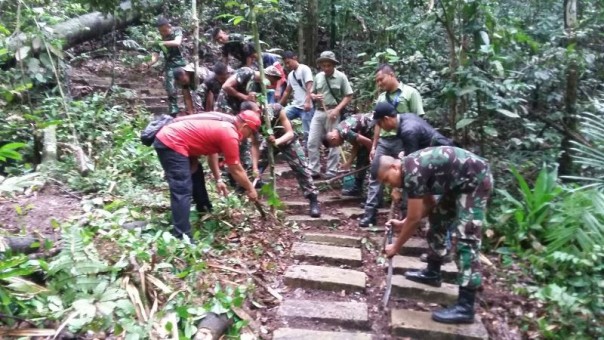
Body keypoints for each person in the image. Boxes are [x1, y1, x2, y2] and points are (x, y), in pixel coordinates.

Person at [373, 147, 493, 324]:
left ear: (394, 168)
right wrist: (403, 222)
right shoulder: (411, 169)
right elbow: (428, 205)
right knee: (437, 218)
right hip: (457, 184)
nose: (389, 185)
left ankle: (466, 307)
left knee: (466, 239)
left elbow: (414, 219)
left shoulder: (413, 172)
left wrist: (396, 247)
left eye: (386, 179)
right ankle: (433, 272)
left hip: (475, 180)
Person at [153, 111, 261, 240]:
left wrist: (219, 179)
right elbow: (235, 169)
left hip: (178, 139)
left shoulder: (225, 122)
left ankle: (204, 210)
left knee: (196, 173)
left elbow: (212, 154)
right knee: (182, 188)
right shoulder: (230, 133)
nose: (248, 137)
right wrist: (250, 189)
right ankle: (181, 236)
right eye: (250, 133)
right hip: (171, 141)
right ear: (245, 127)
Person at [360, 63, 425, 227]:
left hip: (404, 141)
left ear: (391, 75)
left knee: (407, 177)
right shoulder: (382, 98)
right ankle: (370, 214)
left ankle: (406, 216)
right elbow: (378, 124)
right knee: (376, 175)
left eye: (381, 79)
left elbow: (418, 120)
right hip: (384, 141)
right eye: (377, 81)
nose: (379, 84)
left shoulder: (410, 93)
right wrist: (374, 146)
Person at [245, 101, 321, 217]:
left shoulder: (275, 109)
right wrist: (255, 167)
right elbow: (255, 145)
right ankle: (247, 195)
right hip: (269, 143)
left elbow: (290, 133)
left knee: (302, 169)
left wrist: (277, 141)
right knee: (254, 167)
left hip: (288, 141)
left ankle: (313, 200)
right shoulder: (250, 121)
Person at [307, 51, 353, 179]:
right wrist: (315, 96)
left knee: (334, 142)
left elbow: (348, 95)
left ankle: (332, 171)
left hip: (333, 113)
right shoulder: (318, 77)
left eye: (329, 65)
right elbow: (312, 93)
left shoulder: (341, 77)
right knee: (312, 141)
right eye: (324, 65)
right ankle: (314, 169)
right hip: (319, 111)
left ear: (334, 65)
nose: (326, 68)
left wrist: (337, 109)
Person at [143, 17, 186, 116]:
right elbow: (155, 56)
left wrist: (162, 43)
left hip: (182, 63)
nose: (163, 33)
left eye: (164, 30)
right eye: (160, 31)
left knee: (186, 85)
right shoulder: (159, 39)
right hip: (170, 65)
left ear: (168, 26)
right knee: (170, 87)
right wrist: (149, 63)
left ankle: (190, 107)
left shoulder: (177, 31)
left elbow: (177, 42)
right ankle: (173, 110)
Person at [323, 113, 374, 196]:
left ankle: (373, 195)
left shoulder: (344, 132)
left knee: (370, 160)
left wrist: (372, 155)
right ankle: (357, 188)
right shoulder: (339, 128)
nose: (339, 145)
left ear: (333, 139)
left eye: (336, 144)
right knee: (361, 155)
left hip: (374, 126)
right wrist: (348, 162)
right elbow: (356, 145)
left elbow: (368, 142)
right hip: (367, 133)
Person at [279, 51, 315, 145]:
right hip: (296, 106)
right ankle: (289, 137)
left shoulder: (304, 69)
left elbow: (309, 86)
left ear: (295, 58)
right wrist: (278, 106)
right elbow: (287, 91)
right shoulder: (291, 75)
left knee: (308, 132)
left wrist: (307, 102)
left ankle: (308, 149)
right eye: (285, 63)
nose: (287, 65)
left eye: (288, 62)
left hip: (307, 106)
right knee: (281, 116)